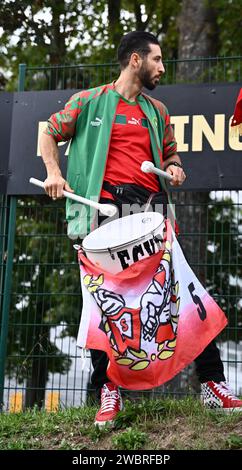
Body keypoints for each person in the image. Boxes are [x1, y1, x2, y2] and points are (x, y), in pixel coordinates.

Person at [40, 31, 242, 427]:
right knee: (102, 306)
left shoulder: (157, 111)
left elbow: (170, 155)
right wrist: (52, 173)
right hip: (102, 213)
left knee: (183, 291)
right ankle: (108, 392)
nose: (162, 68)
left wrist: (175, 168)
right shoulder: (89, 101)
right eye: (158, 60)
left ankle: (213, 385)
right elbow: (48, 130)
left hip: (150, 211)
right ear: (136, 60)